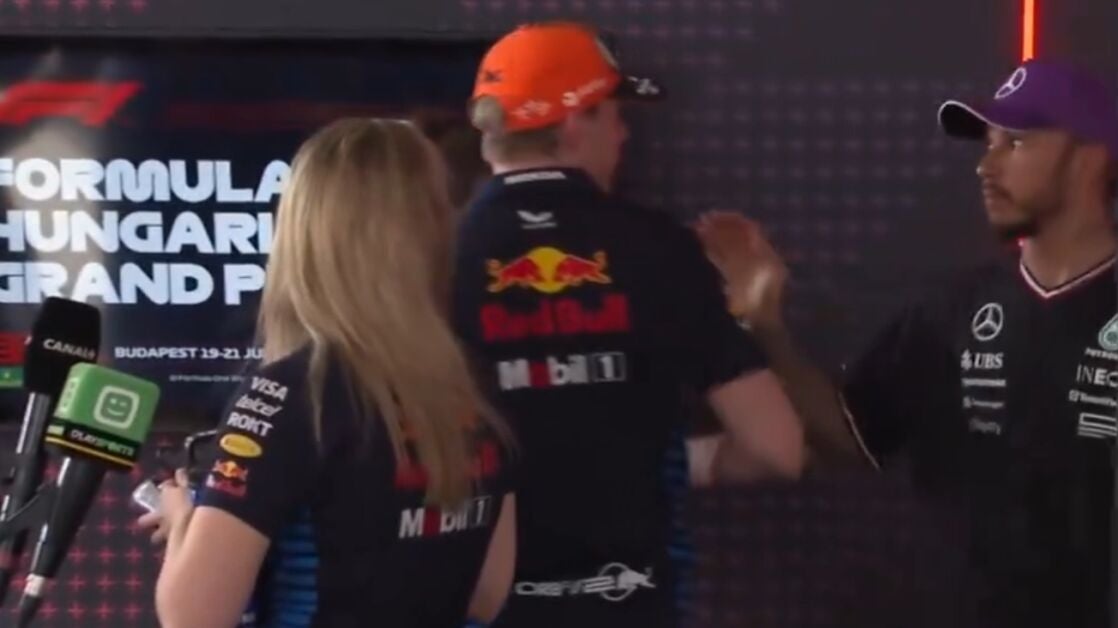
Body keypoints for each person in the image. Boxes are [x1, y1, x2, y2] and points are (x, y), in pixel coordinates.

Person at [697, 58, 1118, 628]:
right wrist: (767, 324)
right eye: (987, 145)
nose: (986, 166)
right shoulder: (953, 309)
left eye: (1016, 143)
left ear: (1090, 158)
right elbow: (853, 439)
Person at [452, 21, 805, 628]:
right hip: (624, 603)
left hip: (467, 602)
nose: (624, 134)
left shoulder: (430, 253)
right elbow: (778, 450)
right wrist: (680, 460)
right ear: (573, 122)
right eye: (614, 114)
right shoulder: (660, 249)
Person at [137, 118, 517, 628]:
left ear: (301, 231)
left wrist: (185, 521)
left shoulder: (292, 392)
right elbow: (485, 596)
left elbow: (192, 616)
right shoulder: (472, 384)